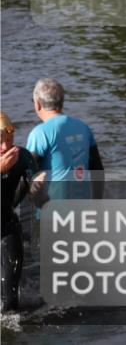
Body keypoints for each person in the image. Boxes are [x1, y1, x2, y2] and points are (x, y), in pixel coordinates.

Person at [26, 78, 104, 201]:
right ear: (62, 101)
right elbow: (98, 170)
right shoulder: (83, 127)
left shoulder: (40, 133)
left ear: (38, 104)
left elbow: (27, 173)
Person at [1, 111, 38, 311]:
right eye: (0, 141)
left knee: (10, 302)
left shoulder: (21, 157)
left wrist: (37, 185)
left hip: (7, 228)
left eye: (10, 139)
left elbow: (35, 188)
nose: (6, 147)